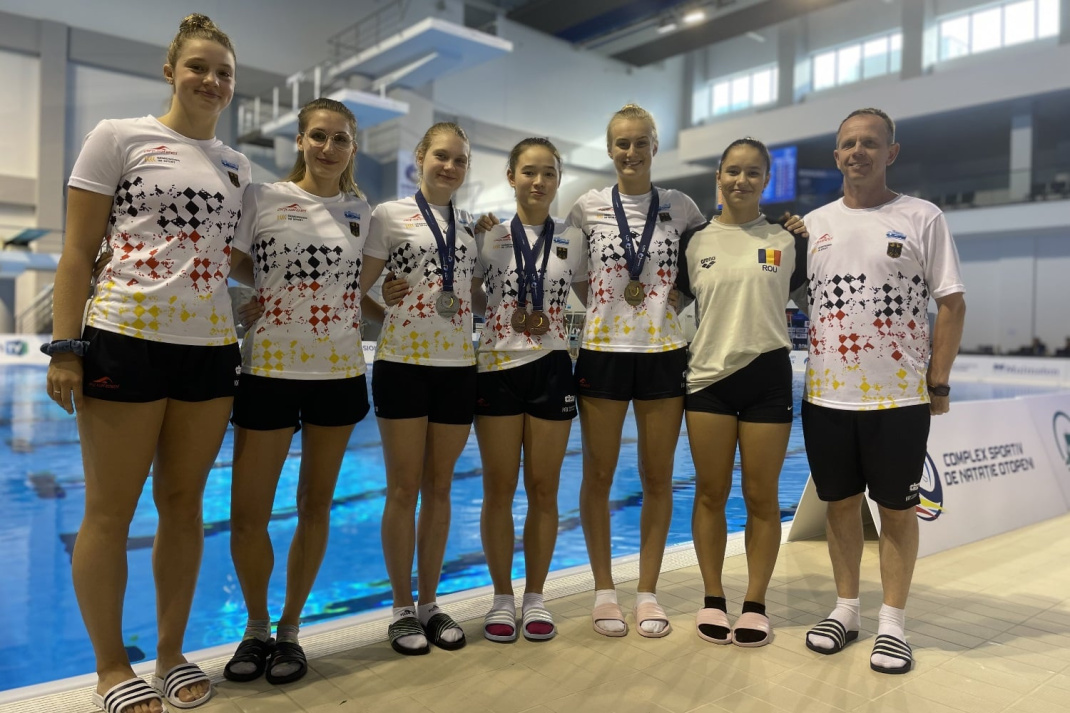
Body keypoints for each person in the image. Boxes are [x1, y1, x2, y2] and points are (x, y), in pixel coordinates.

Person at [44, 14, 247, 713]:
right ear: (171, 71)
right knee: (110, 510)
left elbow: (233, 259)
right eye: (199, 67)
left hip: (210, 351)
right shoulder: (119, 137)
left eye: (223, 72)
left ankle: (170, 653)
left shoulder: (236, 166)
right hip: (124, 338)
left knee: (184, 507)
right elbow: (77, 252)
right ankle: (110, 666)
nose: (211, 80)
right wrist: (66, 348)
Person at [800, 108, 966, 674]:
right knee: (840, 507)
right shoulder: (814, 224)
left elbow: (952, 304)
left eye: (870, 143)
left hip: (897, 400)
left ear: (891, 152)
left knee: (896, 512)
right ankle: (846, 610)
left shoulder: (922, 216)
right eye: (848, 143)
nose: (858, 152)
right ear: (836, 156)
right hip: (826, 396)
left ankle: (892, 624)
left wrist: (938, 380)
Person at [222, 98, 372, 685]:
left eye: (340, 139)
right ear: (301, 141)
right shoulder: (262, 197)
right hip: (269, 370)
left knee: (315, 506)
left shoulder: (362, 212)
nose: (329, 148)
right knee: (247, 514)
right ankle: (255, 626)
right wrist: (258, 294)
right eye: (318, 136)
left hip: (338, 372)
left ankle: (288, 630)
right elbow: (231, 263)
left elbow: (367, 283)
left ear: (353, 147)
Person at [567, 104, 706, 638]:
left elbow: (710, 258)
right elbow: (567, 269)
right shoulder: (587, 207)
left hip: (662, 352)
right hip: (603, 350)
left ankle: (648, 592)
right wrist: (606, 306)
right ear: (610, 149)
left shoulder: (681, 206)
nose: (631, 152)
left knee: (657, 476)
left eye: (641, 141)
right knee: (599, 475)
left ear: (654, 146)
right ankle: (605, 591)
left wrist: (676, 298)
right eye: (622, 143)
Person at [675, 138, 806, 648]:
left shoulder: (788, 239)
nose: (741, 180)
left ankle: (755, 603)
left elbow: (818, 303)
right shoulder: (694, 241)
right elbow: (665, 305)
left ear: (766, 180)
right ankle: (712, 597)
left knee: (761, 496)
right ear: (718, 176)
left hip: (767, 379)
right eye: (733, 171)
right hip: (708, 380)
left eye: (753, 173)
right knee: (710, 493)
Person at [359, 122, 479, 655]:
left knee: (440, 488)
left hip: (458, 366)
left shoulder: (472, 226)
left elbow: (473, 289)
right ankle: (401, 608)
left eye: (459, 160)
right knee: (403, 489)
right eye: (441, 156)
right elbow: (356, 286)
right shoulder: (389, 215)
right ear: (420, 158)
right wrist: (385, 310)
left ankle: (430, 603)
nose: (449, 167)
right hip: (403, 364)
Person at [472, 138, 585, 642]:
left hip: (553, 366)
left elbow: (599, 292)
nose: (538, 182)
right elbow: (471, 294)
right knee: (498, 489)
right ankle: (502, 597)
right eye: (528, 172)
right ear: (511, 176)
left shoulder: (574, 239)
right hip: (496, 366)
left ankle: (535, 596)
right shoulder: (489, 236)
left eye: (548, 173)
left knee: (543, 489)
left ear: (558, 179)